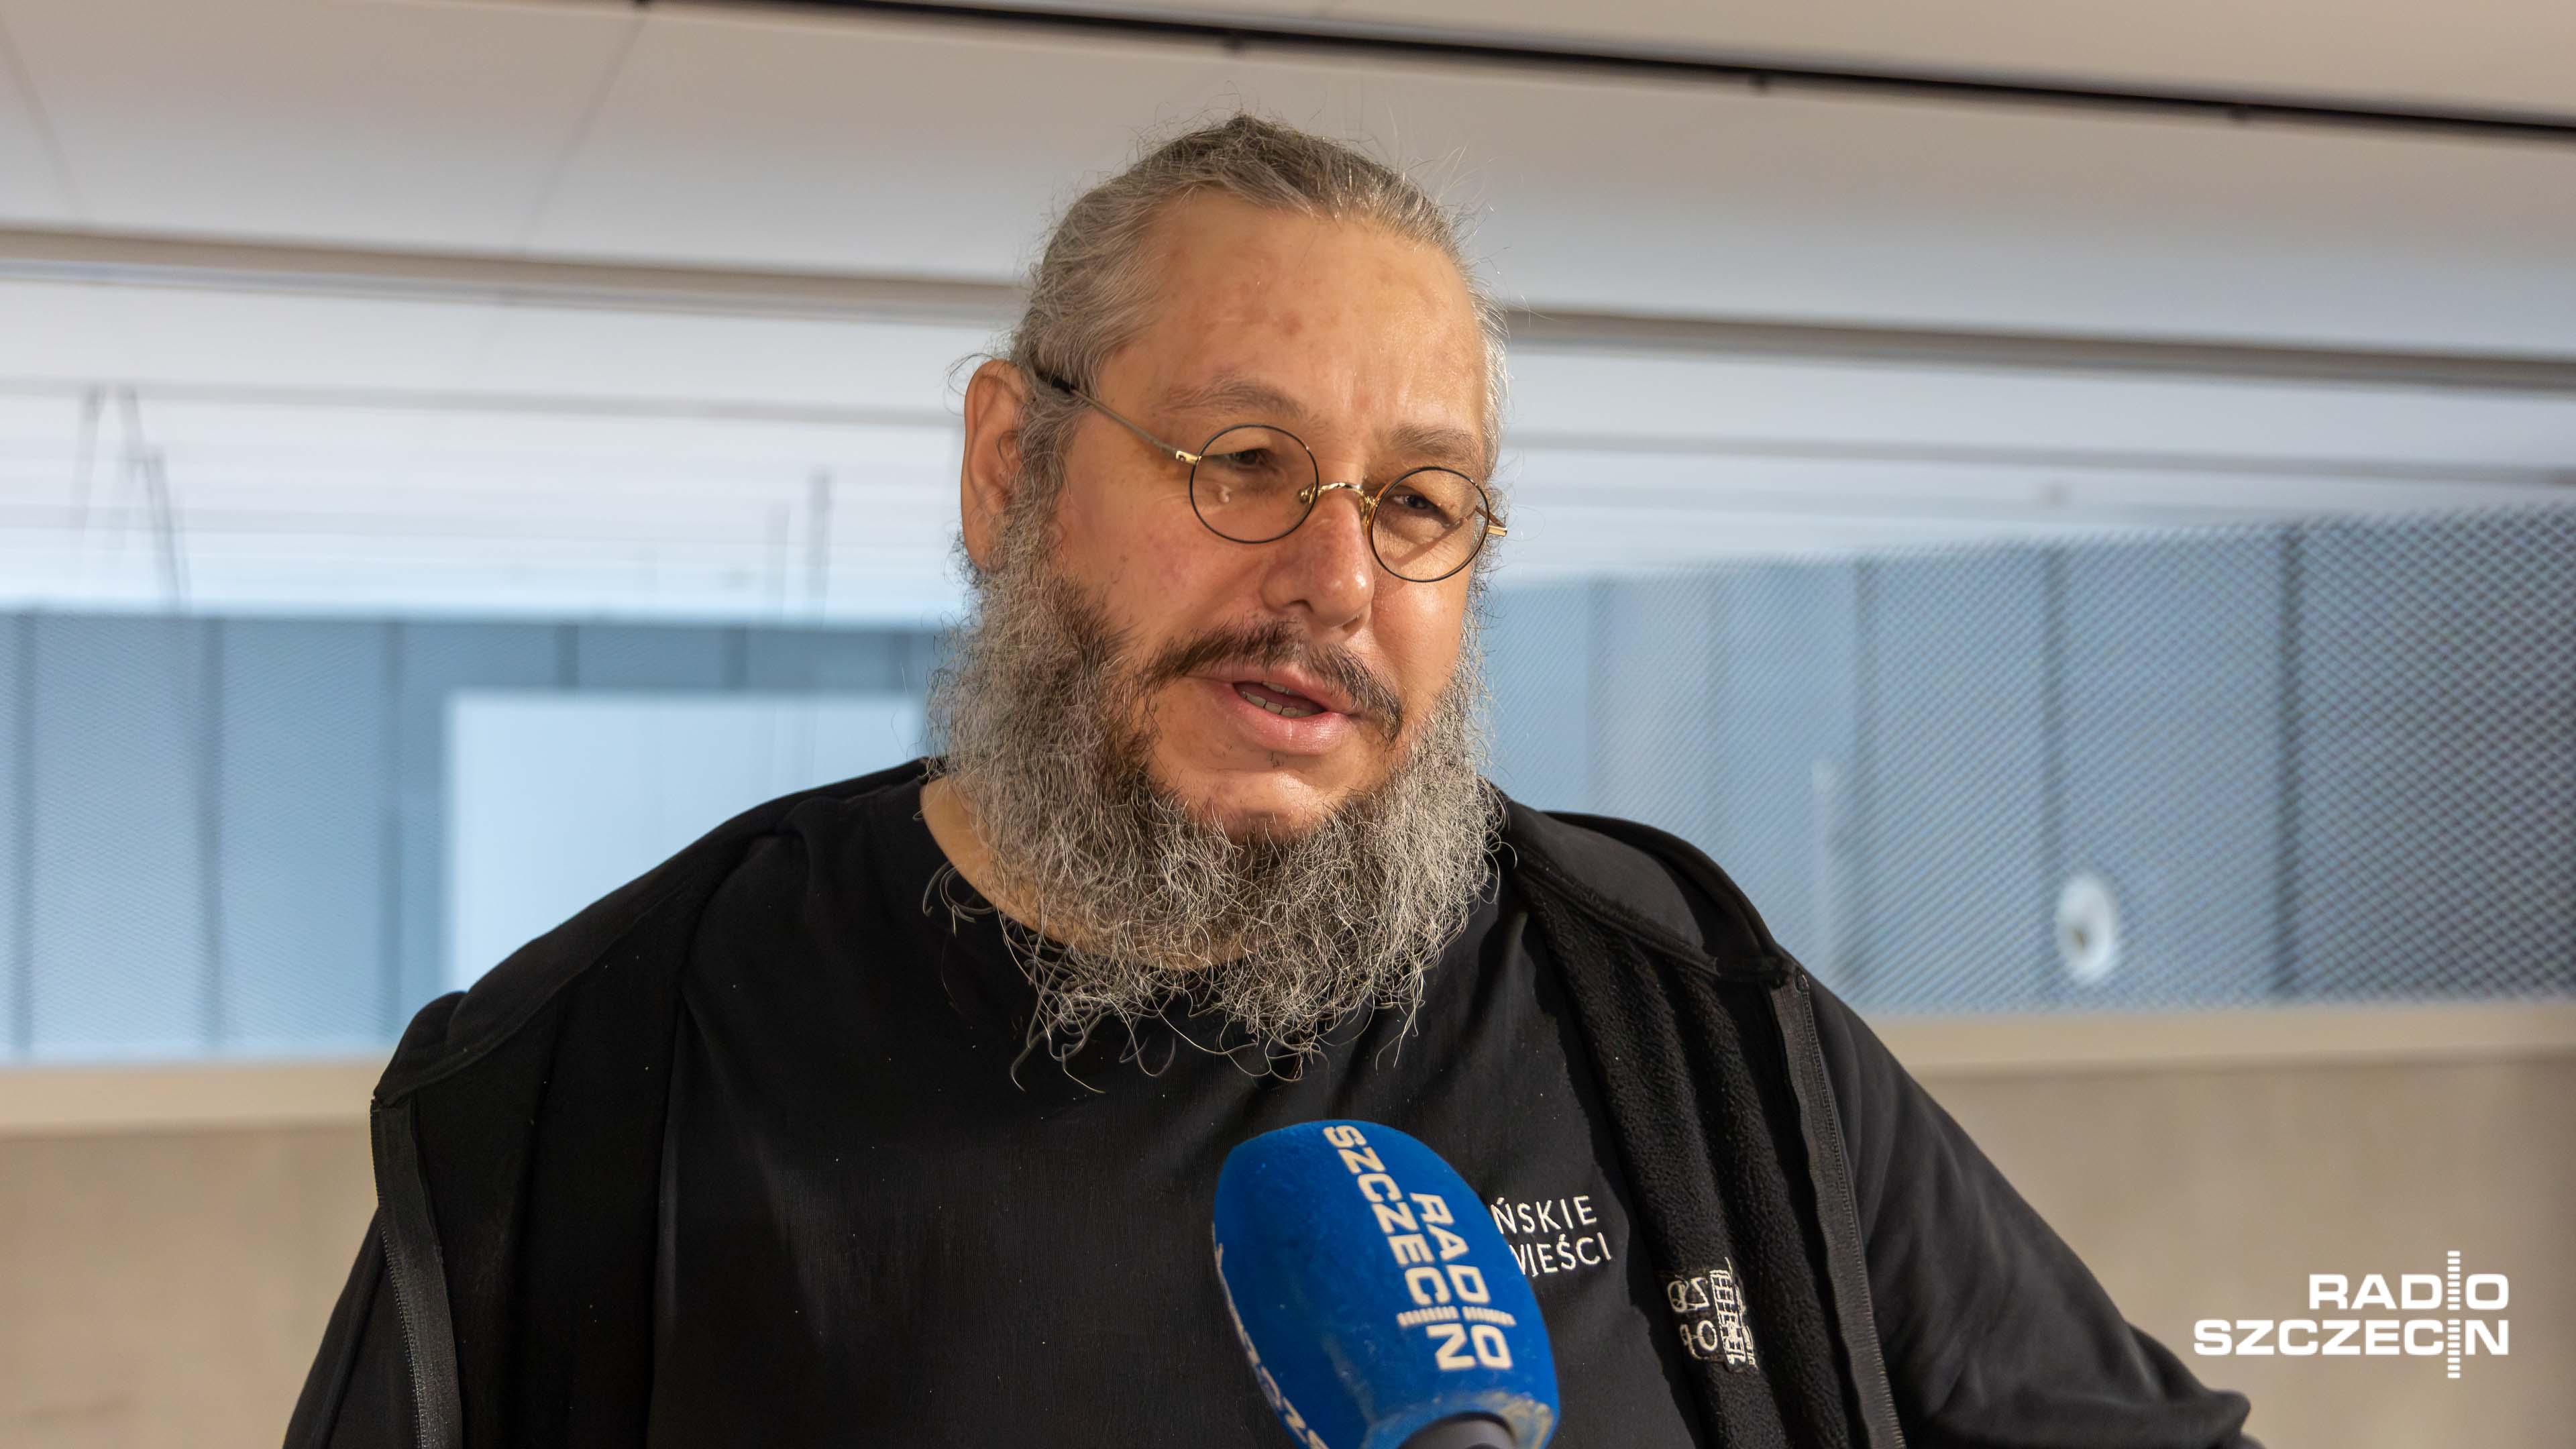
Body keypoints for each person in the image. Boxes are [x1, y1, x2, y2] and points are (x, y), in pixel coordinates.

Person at [287, 115, 2255, 1449]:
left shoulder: (1683, 1016)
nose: (1335, 578)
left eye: (1420, 503)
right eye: (1244, 464)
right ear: (1010, 470)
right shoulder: (593, 1083)